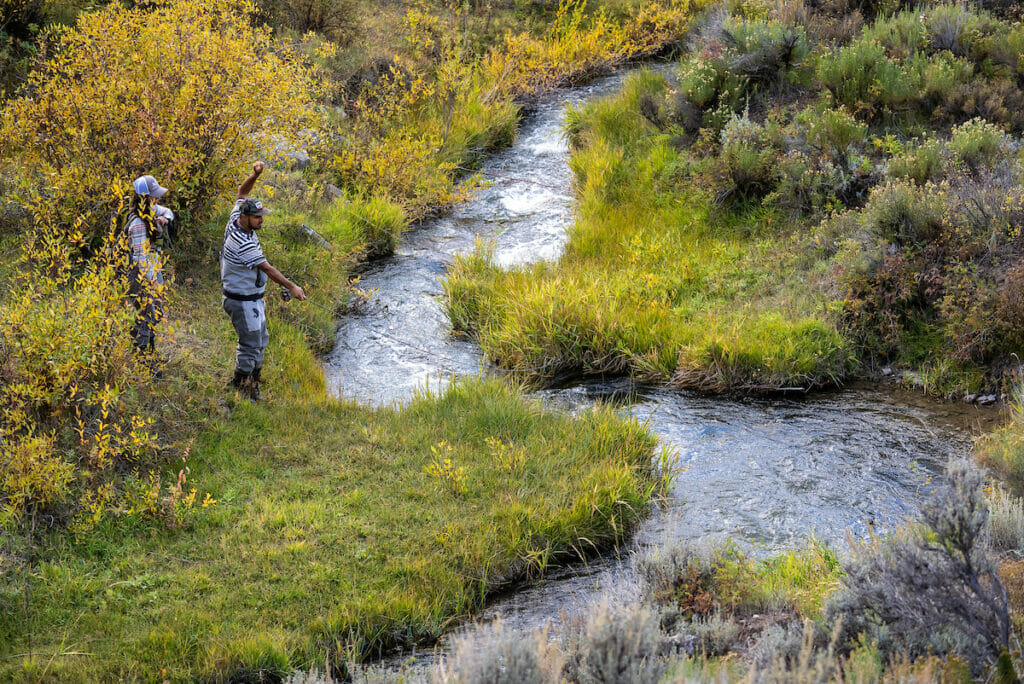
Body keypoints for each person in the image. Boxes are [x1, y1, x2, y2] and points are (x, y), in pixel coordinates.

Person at [221, 161, 306, 400]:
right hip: (242, 300)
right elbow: (267, 268)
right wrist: (292, 287)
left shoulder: (236, 217)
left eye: (262, 216)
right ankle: (240, 386)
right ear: (246, 217)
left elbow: (242, 193)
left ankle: (254, 382)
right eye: (258, 217)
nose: (262, 220)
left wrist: (255, 174)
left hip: (253, 299)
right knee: (250, 344)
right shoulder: (242, 242)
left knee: (261, 339)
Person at [127, 174, 174, 369]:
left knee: (155, 313)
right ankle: (143, 364)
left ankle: (150, 355)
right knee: (145, 317)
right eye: (154, 196)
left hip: (152, 270)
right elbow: (140, 260)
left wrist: (164, 218)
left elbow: (168, 211)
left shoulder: (151, 211)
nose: (158, 199)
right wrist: (154, 282)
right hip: (141, 276)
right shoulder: (138, 223)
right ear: (145, 197)